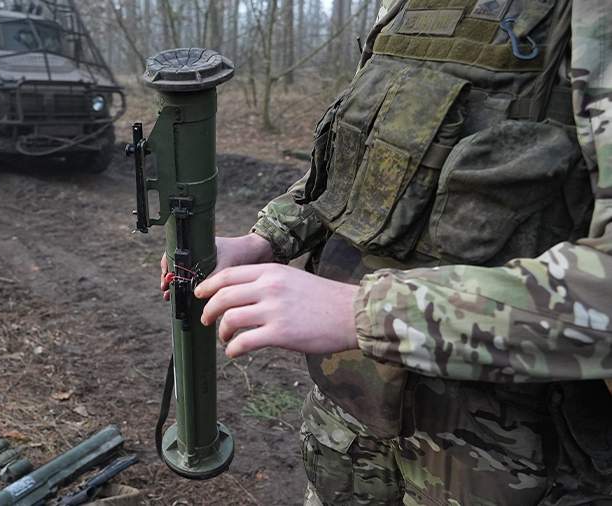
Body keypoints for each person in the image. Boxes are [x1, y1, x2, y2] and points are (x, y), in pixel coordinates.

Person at [161, 1, 612, 504]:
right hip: (350, 418)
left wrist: (366, 313)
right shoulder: (403, 8)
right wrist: (266, 239)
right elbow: (358, 167)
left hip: (502, 457)